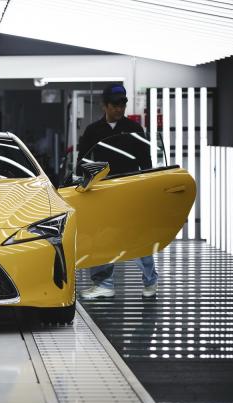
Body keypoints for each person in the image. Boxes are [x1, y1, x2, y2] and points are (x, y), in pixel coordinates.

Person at [78, 83, 159, 299]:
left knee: (138, 237)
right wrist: (82, 183)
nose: (119, 109)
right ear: (104, 105)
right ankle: (104, 284)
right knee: (101, 237)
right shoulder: (93, 131)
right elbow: (82, 160)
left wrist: (148, 186)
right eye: (115, 105)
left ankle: (150, 281)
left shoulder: (134, 129)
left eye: (122, 104)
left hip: (130, 190)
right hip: (102, 191)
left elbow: (146, 160)